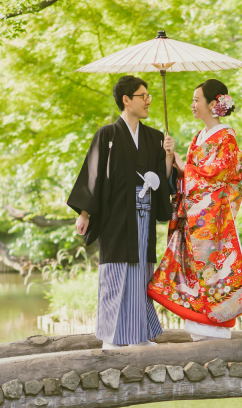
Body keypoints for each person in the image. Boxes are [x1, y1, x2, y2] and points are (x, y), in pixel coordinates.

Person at [67, 75, 174, 349]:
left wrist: (168, 158)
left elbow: (162, 179)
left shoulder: (154, 137)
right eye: (142, 96)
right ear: (126, 100)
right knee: (116, 274)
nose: (148, 100)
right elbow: (93, 174)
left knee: (141, 274)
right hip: (117, 217)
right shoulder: (109, 135)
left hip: (145, 214)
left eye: (149, 95)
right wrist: (85, 213)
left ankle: (140, 336)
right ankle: (112, 338)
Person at [148, 79, 242, 341]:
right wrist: (171, 158)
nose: (193, 105)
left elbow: (216, 176)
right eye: (193, 100)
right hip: (194, 217)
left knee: (213, 271)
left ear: (213, 104)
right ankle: (199, 324)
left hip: (214, 221)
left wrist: (186, 168)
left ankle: (214, 326)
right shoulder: (199, 136)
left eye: (197, 100)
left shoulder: (226, 137)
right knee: (193, 270)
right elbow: (188, 177)